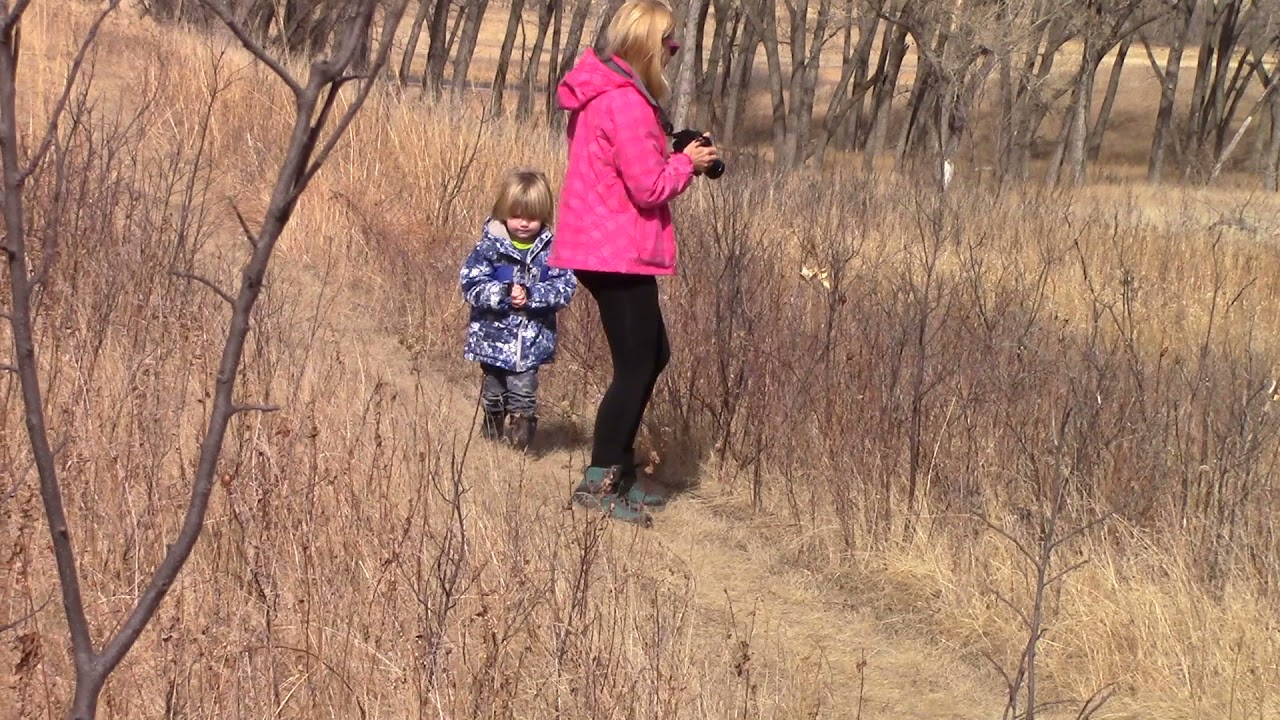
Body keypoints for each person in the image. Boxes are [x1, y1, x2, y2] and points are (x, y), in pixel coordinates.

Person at [550, 0, 720, 526]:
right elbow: (649, 186)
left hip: (606, 245)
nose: (673, 52)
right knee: (636, 365)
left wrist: (671, 146)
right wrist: (686, 163)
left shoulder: (611, 93)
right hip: (614, 249)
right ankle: (599, 482)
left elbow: (625, 160)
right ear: (648, 43)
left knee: (653, 354)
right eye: (668, 42)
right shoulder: (623, 101)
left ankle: (619, 470)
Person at [460, 169, 577, 452]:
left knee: (523, 395)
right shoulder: (489, 247)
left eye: (532, 217)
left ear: (544, 216)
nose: (524, 224)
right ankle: (491, 442)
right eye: (516, 216)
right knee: (494, 394)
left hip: (531, 344)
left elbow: (565, 287)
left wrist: (534, 295)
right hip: (492, 342)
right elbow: (470, 284)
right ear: (503, 212)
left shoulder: (553, 251)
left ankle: (518, 450)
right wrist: (501, 293)